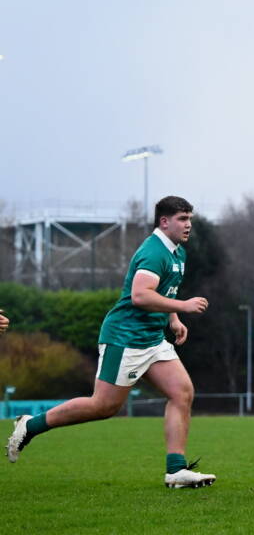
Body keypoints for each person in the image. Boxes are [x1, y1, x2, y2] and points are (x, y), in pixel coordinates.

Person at [6, 196, 217, 489]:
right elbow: (140, 295)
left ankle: (176, 470)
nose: (189, 225)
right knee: (103, 406)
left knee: (182, 392)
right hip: (125, 337)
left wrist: (172, 319)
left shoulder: (176, 252)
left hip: (152, 339)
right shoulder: (154, 252)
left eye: (190, 219)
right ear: (164, 221)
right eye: (182, 219)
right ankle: (30, 425)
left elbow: (162, 290)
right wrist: (182, 307)